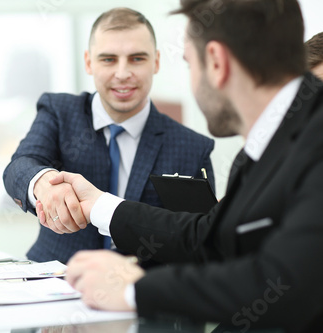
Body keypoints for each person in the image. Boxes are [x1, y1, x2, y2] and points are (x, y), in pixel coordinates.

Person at [39, 0, 323, 331]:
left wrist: (133, 289)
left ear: (216, 62)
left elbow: (285, 282)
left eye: (189, 64)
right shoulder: (265, 145)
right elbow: (206, 237)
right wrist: (99, 205)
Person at [3, 7, 215, 264]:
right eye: (108, 59)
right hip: (56, 278)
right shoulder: (59, 112)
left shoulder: (193, 148)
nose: (123, 73)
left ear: (156, 62)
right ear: (89, 62)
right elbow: (20, 166)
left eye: (137, 59)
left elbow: (200, 239)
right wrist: (43, 183)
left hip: (138, 290)